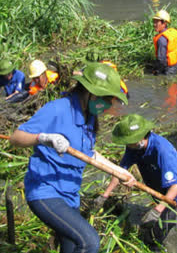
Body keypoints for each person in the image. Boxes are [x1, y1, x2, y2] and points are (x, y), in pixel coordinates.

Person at [9, 63, 131, 253]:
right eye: (106, 98)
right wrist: (44, 138)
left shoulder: (89, 117)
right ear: (90, 92)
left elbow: (89, 154)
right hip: (46, 191)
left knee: (71, 247)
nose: (108, 104)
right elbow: (16, 138)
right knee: (90, 241)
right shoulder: (58, 109)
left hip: (70, 195)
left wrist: (120, 172)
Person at [94, 114, 177, 246]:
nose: (126, 144)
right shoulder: (133, 147)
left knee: (152, 239)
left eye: (129, 141)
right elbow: (120, 172)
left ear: (140, 138)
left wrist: (157, 210)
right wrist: (105, 195)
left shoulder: (162, 150)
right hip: (163, 193)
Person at [152, 10, 177, 75]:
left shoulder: (161, 39)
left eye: (157, 22)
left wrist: (157, 72)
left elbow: (161, 60)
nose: (154, 25)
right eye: (154, 22)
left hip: (169, 70)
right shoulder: (173, 32)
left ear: (164, 23)